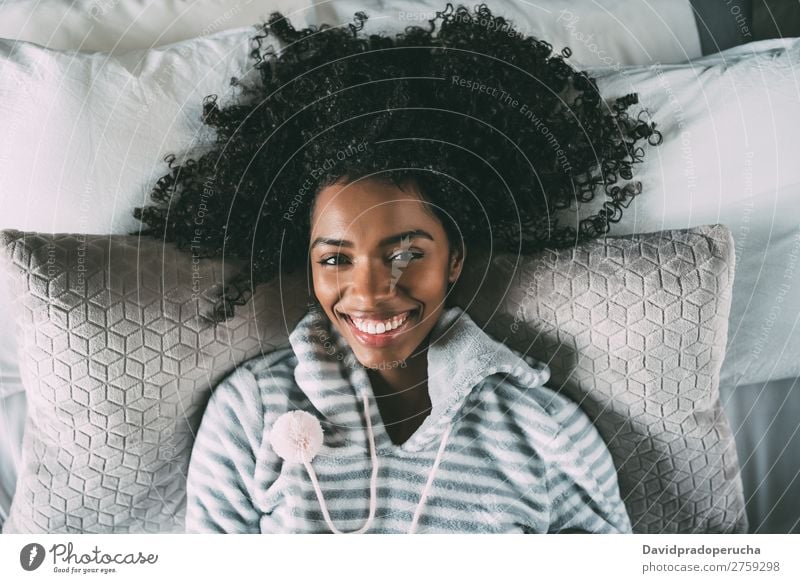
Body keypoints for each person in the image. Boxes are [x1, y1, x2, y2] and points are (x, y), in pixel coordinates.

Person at [133, 2, 660, 533]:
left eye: (406, 254)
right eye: (336, 259)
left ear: (454, 259)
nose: (367, 291)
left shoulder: (546, 431)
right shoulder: (250, 412)